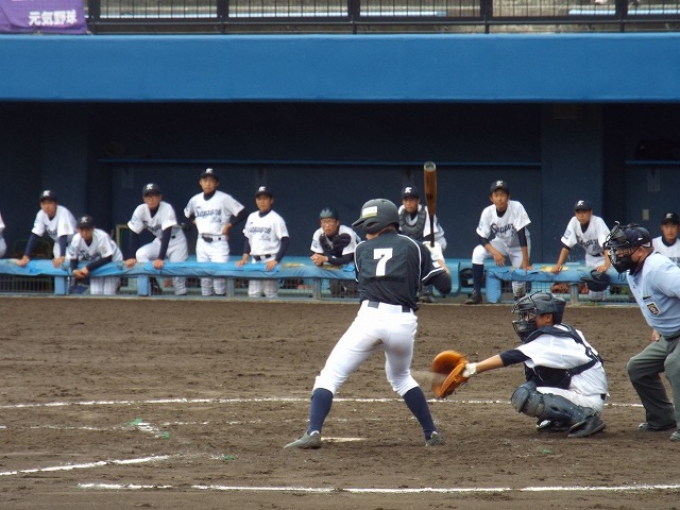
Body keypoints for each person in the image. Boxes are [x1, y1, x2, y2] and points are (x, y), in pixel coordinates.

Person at [284, 198, 452, 449]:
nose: (364, 230)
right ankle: (431, 433)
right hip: (403, 323)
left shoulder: (361, 250)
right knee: (401, 378)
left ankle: (313, 431)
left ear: (376, 222)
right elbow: (445, 286)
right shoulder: (414, 247)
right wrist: (436, 258)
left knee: (329, 376)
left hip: (369, 319)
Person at [461, 291, 608, 438]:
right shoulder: (565, 330)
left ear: (548, 317)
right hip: (586, 391)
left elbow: (511, 356)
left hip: (587, 400)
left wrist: (472, 369)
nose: (525, 319)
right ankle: (563, 420)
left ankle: (585, 418)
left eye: (531, 314)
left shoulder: (548, 340)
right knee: (535, 378)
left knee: (525, 396)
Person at [604, 222, 680, 442]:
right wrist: (659, 327)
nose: (617, 254)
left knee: (675, 365)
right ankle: (662, 418)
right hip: (670, 336)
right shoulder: (634, 272)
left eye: (622, 249)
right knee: (638, 367)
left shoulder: (657, 269)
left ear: (640, 250)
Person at [465, 180, 532, 305]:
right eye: (496, 195)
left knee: (518, 283)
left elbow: (522, 234)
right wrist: (495, 253)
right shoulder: (487, 212)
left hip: (519, 246)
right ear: (491, 198)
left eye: (502, 195)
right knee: (478, 252)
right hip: (501, 243)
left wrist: (525, 260)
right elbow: (481, 237)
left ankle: (519, 300)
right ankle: (476, 293)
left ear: (508, 196)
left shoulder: (516, 207)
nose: (499, 198)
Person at [184, 168, 248, 297]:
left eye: (211, 181)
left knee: (219, 280)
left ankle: (221, 307)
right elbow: (187, 213)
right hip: (201, 242)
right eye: (205, 180)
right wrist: (195, 221)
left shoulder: (224, 198)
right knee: (205, 280)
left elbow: (243, 213)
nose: (208, 183)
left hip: (219, 242)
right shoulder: (195, 199)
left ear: (216, 183)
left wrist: (229, 225)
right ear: (200, 182)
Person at [124, 183, 189, 296]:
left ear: (160, 197)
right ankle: (154, 286)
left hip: (176, 242)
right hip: (160, 241)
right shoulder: (140, 210)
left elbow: (167, 233)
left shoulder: (166, 208)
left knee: (178, 280)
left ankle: (182, 299)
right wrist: (131, 256)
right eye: (148, 196)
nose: (151, 198)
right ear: (143, 198)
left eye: (154, 195)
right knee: (140, 254)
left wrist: (160, 258)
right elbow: (134, 232)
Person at [551, 199, 611, 301]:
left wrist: (606, 265)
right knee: (594, 293)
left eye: (584, 212)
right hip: (590, 257)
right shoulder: (574, 222)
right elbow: (567, 246)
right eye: (578, 212)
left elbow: (607, 246)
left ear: (590, 212)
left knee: (600, 288)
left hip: (605, 256)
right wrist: (559, 264)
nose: (581, 215)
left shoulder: (598, 222)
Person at [235, 186, 289, 298]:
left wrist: (276, 260)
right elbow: (248, 238)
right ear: (256, 201)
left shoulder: (276, 219)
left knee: (270, 294)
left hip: (270, 260)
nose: (262, 201)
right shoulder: (252, 217)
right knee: (253, 294)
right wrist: (244, 257)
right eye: (259, 199)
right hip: (255, 260)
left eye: (265, 198)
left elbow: (285, 240)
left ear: (271, 200)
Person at [398, 184, 448, 303]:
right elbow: (398, 233)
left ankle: (427, 291)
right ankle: (411, 291)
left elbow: (428, 238)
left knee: (426, 254)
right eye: (406, 199)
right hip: (415, 242)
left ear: (418, 200)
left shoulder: (426, 212)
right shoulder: (400, 211)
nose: (408, 203)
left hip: (435, 242)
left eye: (412, 199)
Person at [310, 207, 361, 298]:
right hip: (335, 258)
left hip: (355, 259)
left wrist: (325, 259)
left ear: (337, 222)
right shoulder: (318, 233)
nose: (327, 225)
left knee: (352, 289)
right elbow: (316, 254)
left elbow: (346, 259)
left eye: (330, 221)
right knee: (334, 288)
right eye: (324, 222)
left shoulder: (347, 233)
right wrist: (317, 260)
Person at [17, 190, 76, 268]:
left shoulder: (63, 212)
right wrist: (26, 256)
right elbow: (35, 235)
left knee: (70, 265)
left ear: (56, 204)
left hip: (75, 243)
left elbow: (63, 236)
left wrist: (62, 256)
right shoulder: (41, 214)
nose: (47, 206)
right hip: (59, 244)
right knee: (59, 267)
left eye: (50, 203)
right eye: (44, 203)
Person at [66, 215, 124, 295]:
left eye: (87, 229)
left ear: (93, 228)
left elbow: (107, 258)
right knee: (95, 292)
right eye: (82, 229)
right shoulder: (76, 239)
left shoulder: (102, 236)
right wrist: (74, 270)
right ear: (77, 229)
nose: (84, 232)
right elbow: (73, 258)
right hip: (96, 264)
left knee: (108, 292)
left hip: (112, 261)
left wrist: (88, 267)